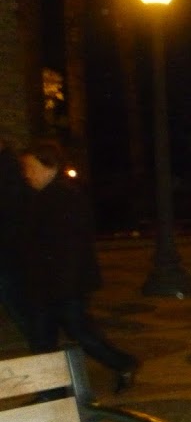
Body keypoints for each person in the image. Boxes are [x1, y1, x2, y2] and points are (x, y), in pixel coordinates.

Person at [17, 140, 138, 394]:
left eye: (31, 167)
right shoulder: (43, 197)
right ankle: (52, 392)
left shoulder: (64, 198)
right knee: (43, 339)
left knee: (79, 333)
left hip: (62, 286)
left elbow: (70, 249)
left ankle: (123, 363)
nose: (27, 174)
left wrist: (62, 287)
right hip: (47, 285)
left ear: (50, 167)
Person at [0, 133, 31, 339]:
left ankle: (41, 344)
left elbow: (11, 208)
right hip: (8, 248)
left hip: (8, 250)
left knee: (15, 299)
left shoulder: (9, 167)